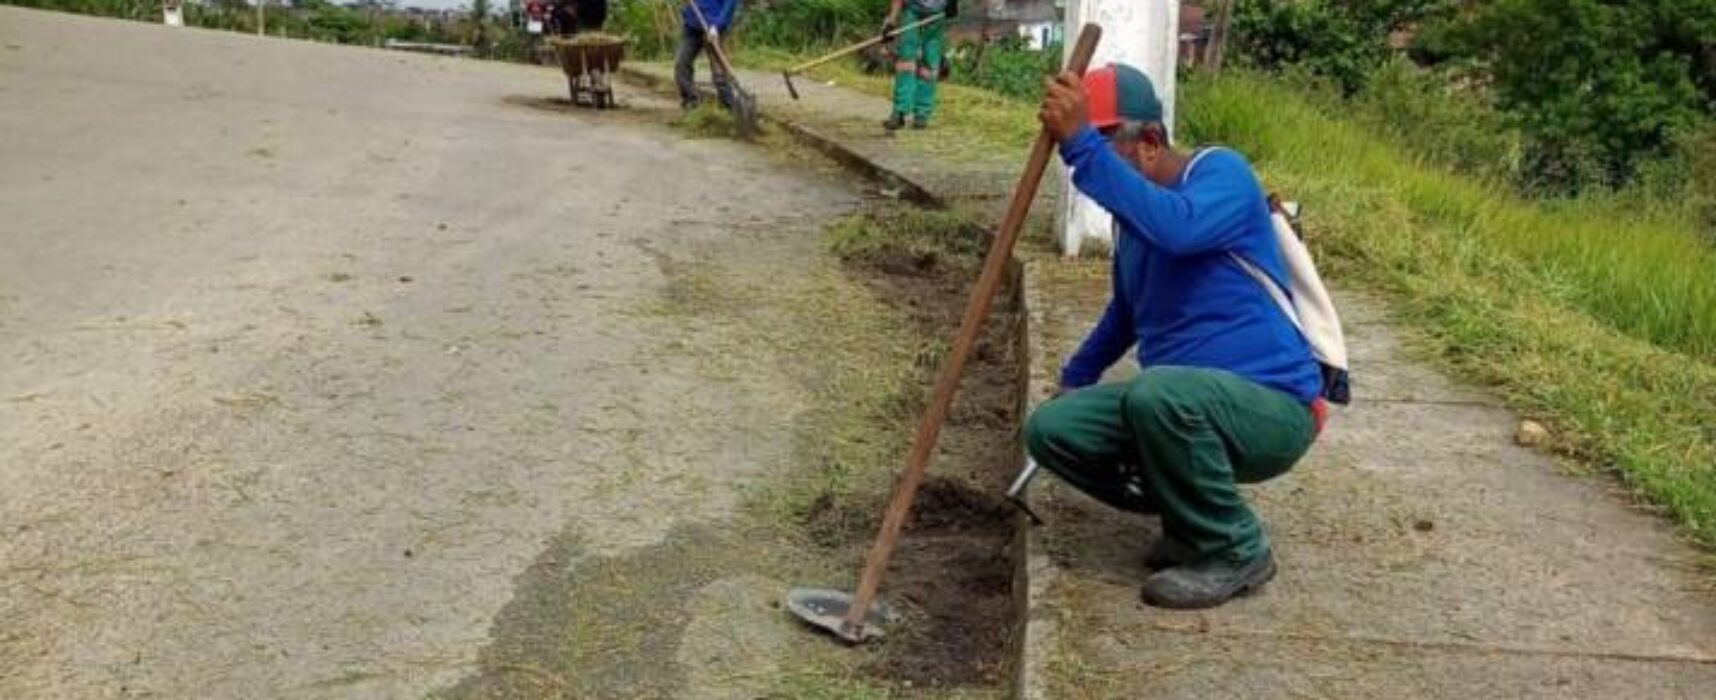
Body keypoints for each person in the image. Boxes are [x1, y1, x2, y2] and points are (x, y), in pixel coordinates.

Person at [1025, 64, 1328, 610]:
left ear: (1150, 142)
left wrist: (1080, 149)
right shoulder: (1134, 222)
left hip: (1273, 407)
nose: (1091, 173)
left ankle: (1237, 547)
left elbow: (1180, 229)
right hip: (1184, 401)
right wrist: (1076, 377)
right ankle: (1190, 518)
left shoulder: (1222, 175)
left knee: (1159, 392)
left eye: (1102, 145)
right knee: (1051, 430)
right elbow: (1127, 313)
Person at [881, 0, 949, 131]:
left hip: (937, 12)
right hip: (912, 9)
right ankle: (900, 112)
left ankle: (921, 115)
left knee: (929, 64)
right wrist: (892, 21)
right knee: (906, 61)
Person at [675, 0, 740, 111]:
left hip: (714, 28)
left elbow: (730, 3)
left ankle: (729, 106)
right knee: (681, 64)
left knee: (719, 72)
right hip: (693, 26)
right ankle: (691, 103)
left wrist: (717, 26)